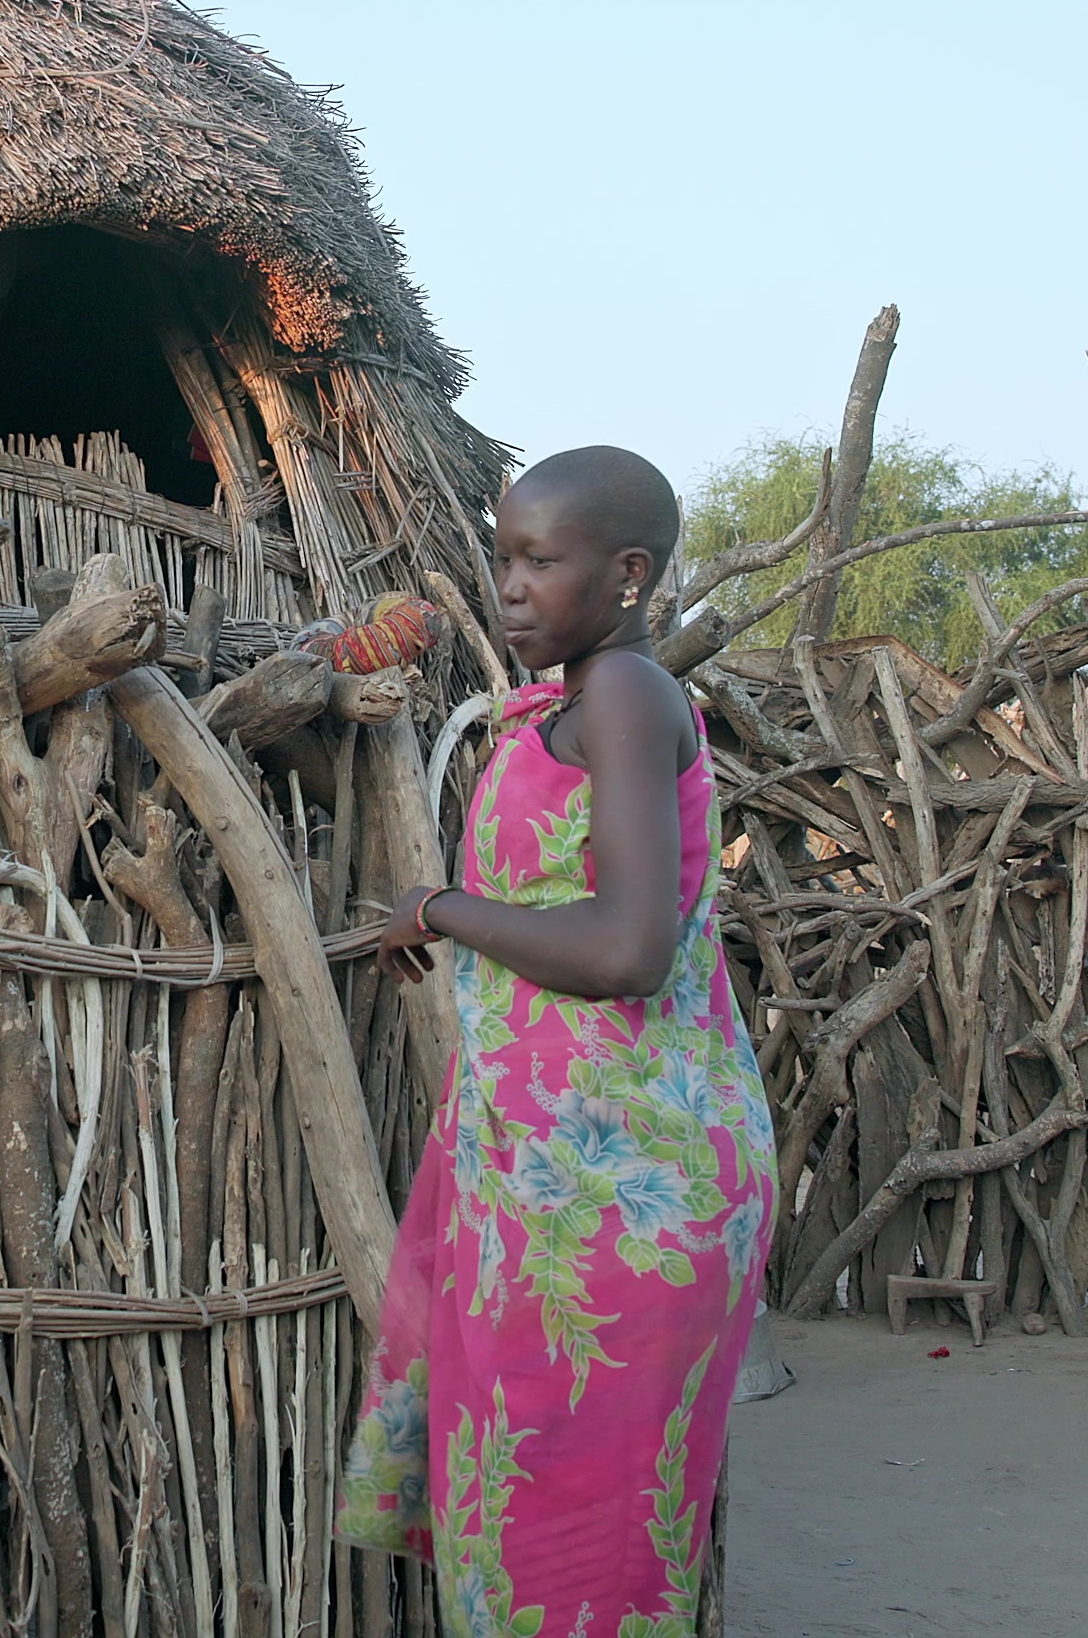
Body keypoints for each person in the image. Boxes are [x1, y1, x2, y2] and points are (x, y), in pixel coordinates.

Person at [335, 446, 775, 1635]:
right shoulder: (579, 702)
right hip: (552, 1182)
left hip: (625, 1193)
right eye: (502, 555)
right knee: (529, 1532)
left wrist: (440, 911)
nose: (509, 585)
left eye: (540, 560)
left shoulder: (628, 696)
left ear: (628, 574)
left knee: (581, 1548)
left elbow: (629, 948)